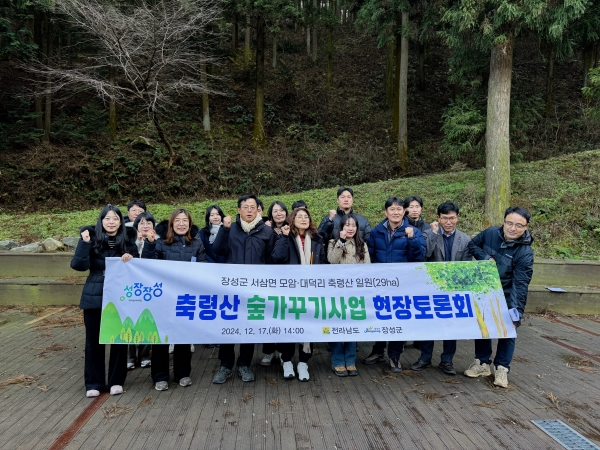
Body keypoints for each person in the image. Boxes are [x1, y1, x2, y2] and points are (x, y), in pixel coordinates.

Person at [70, 204, 137, 398]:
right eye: (107, 218)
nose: (111, 222)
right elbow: (78, 265)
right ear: (101, 221)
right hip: (94, 295)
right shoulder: (90, 239)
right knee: (93, 341)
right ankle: (94, 382)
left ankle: (116, 380)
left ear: (120, 222)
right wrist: (84, 243)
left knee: (118, 340)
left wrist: (130, 259)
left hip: (120, 296)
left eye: (115, 218)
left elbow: (138, 266)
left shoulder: (128, 240)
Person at [464, 206, 534, 388]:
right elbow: (472, 245)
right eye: (509, 223)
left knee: (508, 329)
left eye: (519, 225)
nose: (513, 228)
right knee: (483, 325)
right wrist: (485, 257)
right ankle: (482, 363)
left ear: (525, 227)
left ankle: (502, 368)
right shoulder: (490, 234)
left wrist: (517, 310)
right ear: (504, 222)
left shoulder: (525, 252)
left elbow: (521, 283)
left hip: (509, 293)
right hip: (485, 290)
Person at [211, 194, 276, 384]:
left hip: (255, 289)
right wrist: (224, 229)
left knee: (249, 327)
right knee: (228, 327)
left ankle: (244, 364)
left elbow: (271, 260)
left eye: (252, 207)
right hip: (231, 288)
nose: (249, 210)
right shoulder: (230, 229)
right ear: (239, 210)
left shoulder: (267, 232)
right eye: (245, 207)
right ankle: (225, 365)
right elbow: (217, 250)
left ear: (258, 210)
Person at [141, 209, 208, 391]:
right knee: (161, 339)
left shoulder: (196, 243)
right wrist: (149, 243)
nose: (181, 224)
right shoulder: (161, 243)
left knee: (183, 338)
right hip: (163, 298)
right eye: (177, 220)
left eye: (184, 220)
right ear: (171, 224)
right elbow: (147, 264)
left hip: (186, 298)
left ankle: (183, 374)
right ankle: (160, 376)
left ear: (189, 223)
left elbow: (203, 267)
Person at [363, 197, 426, 372]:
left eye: (399, 209)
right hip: (381, 284)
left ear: (404, 211)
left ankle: (395, 356)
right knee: (381, 317)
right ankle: (378, 351)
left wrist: (412, 239)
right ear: (386, 212)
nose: (396, 212)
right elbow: (370, 257)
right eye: (392, 209)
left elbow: (419, 257)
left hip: (403, 285)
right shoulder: (376, 232)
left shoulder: (413, 231)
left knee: (398, 320)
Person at [410, 201, 472, 376]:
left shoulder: (465, 239)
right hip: (430, 288)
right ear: (438, 218)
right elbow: (425, 254)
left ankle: (447, 360)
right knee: (428, 324)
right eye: (445, 218)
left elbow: (466, 266)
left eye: (452, 218)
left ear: (457, 218)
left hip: (453, 289)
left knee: (451, 325)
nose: (449, 222)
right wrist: (435, 234)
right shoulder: (428, 233)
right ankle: (425, 357)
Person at [271, 207, 327, 381]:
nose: (303, 219)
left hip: (311, 291)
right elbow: (277, 258)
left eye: (306, 217)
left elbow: (323, 263)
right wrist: (283, 236)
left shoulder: (318, 239)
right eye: (299, 217)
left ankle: (303, 363)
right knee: (289, 327)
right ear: (292, 220)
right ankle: (287, 361)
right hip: (290, 292)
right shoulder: (287, 238)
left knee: (308, 327)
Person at [327, 214, 370, 377]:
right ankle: (337, 361)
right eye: (347, 225)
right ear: (341, 228)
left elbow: (368, 268)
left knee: (353, 328)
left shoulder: (362, 244)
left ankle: (350, 360)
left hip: (356, 294)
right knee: (338, 327)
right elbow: (331, 260)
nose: (350, 228)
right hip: (337, 293)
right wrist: (341, 242)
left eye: (353, 225)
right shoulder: (333, 243)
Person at [126, 212, 158, 370]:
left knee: (145, 319)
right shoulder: (128, 241)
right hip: (131, 287)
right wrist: (137, 243)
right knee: (130, 319)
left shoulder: (159, 241)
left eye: (149, 223)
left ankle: (145, 354)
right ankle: (130, 356)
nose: (145, 226)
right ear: (136, 226)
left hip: (150, 287)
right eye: (141, 223)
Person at [260, 201, 289, 366]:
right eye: (275, 211)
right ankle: (268, 351)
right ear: (271, 214)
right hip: (269, 277)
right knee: (269, 314)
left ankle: (284, 351)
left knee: (284, 315)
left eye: (282, 210)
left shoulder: (291, 228)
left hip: (287, 277)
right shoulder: (265, 229)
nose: (279, 213)